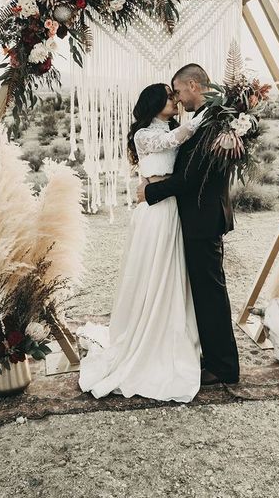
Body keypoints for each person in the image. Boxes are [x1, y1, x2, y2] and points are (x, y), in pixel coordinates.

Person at [77, 83, 206, 402]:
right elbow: (170, 141)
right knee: (152, 274)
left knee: (173, 273)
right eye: (169, 95)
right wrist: (206, 114)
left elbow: (179, 142)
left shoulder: (176, 125)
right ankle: (147, 336)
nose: (175, 99)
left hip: (172, 207)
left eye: (175, 95)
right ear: (154, 103)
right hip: (154, 213)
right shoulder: (144, 134)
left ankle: (171, 332)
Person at [137, 64, 240, 385]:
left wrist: (151, 191)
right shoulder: (210, 119)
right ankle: (211, 356)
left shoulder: (213, 121)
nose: (178, 100)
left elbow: (190, 177)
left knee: (210, 293)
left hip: (203, 217)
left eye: (179, 92)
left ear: (193, 85)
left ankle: (223, 367)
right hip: (199, 217)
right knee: (204, 291)